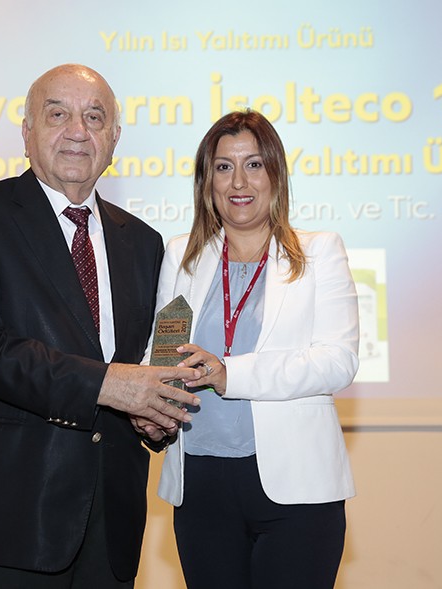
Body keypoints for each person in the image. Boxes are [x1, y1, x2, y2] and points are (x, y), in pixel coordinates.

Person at [0, 64, 202, 589]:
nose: (78, 131)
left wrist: (152, 416)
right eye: (58, 114)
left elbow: (140, 366)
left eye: (95, 117)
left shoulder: (143, 242)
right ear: (27, 133)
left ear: (114, 139)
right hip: (2, 516)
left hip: (109, 523)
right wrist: (110, 385)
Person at [138, 110, 360, 589]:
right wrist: (147, 405)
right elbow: (163, 353)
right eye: (224, 167)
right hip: (200, 485)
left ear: (276, 174)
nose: (238, 181)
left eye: (254, 164)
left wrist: (228, 374)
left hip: (297, 490)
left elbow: (337, 361)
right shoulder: (181, 255)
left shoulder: (319, 251)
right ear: (207, 182)